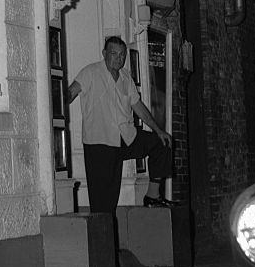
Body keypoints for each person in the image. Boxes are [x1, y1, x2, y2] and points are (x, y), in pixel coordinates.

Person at [67, 35, 175, 213]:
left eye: (121, 55)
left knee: (162, 144)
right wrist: (58, 101)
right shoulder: (91, 72)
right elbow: (71, 92)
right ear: (104, 53)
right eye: (114, 54)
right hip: (99, 142)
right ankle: (102, 235)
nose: (118, 58)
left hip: (126, 137)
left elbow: (138, 107)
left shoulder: (125, 77)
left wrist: (159, 130)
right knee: (104, 199)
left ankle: (153, 196)